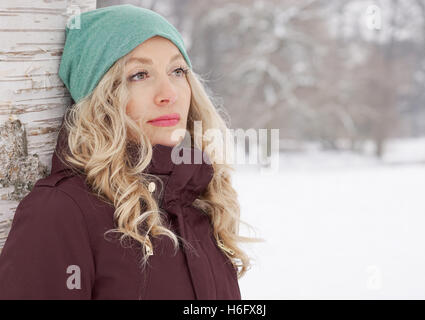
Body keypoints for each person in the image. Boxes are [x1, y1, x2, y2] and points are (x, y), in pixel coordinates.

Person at [0, 4, 259, 300]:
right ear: (101, 96)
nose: (169, 94)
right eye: (139, 75)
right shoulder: (61, 211)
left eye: (177, 70)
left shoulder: (199, 198)